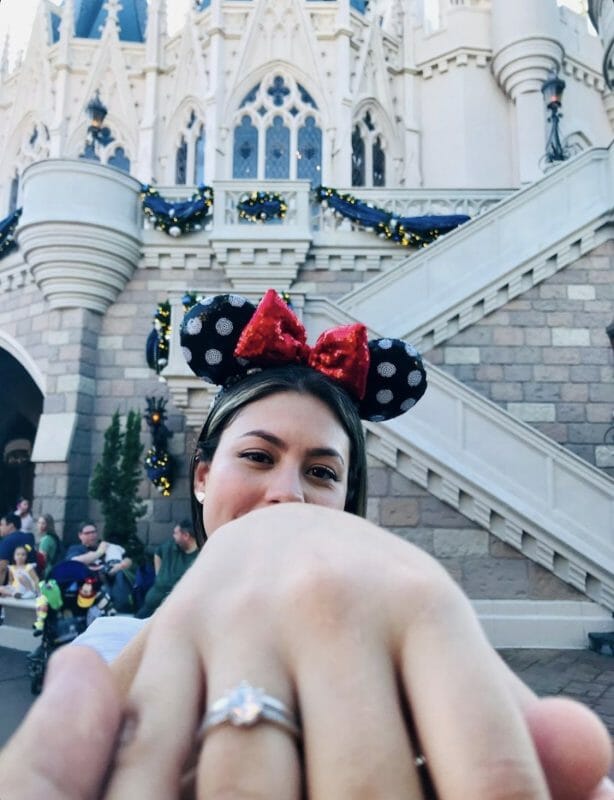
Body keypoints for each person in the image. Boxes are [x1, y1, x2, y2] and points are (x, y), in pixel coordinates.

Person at [0, 290, 612, 800]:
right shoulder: (107, 650)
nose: (286, 494)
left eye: (321, 472)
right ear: (204, 476)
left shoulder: (416, 671)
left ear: (348, 498)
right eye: (258, 457)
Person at [135, 519, 199, 618]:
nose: (173, 536)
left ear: (186, 536)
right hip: (149, 607)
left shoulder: (199, 557)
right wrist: (159, 575)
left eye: (176, 533)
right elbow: (158, 553)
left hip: (171, 613)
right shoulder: (172, 546)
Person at [66, 522, 134, 611]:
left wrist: (121, 565)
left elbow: (128, 559)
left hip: (114, 582)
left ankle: (123, 607)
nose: (92, 535)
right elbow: (75, 561)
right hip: (92, 587)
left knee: (122, 574)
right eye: (87, 533)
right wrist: (99, 552)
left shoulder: (107, 546)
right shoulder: (76, 549)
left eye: (93, 532)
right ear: (80, 535)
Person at [0, 512, 36, 587]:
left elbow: (2, 568)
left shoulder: (7, 541)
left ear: (11, 526)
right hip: (31, 583)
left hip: (14, 584)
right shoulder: (29, 538)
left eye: (1, 525)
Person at [35, 513, 64, 579]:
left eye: (43, 523)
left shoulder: (46, 540)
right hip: (53, 570)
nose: (40, 526)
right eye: (39, 523)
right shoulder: (54, 537)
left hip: (46, 573)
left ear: (49, 525)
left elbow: (42, 560)